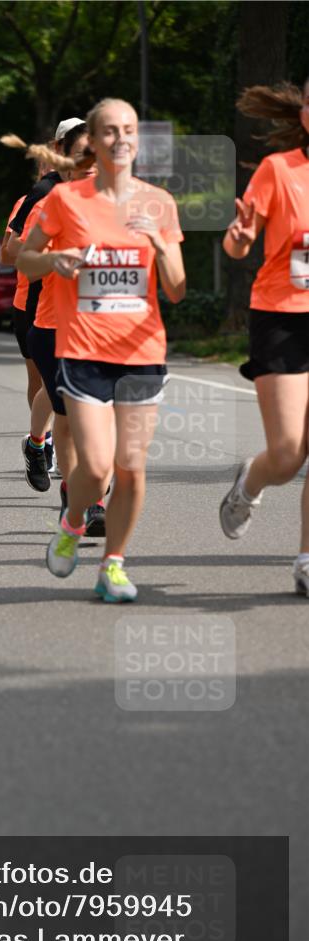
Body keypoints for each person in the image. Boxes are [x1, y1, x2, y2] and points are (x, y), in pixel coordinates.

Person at [18, 98, 186, 602]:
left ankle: (113, 564)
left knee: (131, 467)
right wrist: (55, 259)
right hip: (83, 349)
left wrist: (158, 243)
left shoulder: (158, 202)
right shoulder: (66, 200)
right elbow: (25, 262)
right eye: (109, 131)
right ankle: (72, 525)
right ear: (93, 138)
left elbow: (176, 288)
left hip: (141, 351)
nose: (120, 139)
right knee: (95, 468)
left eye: (129, 130)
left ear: (139, 138)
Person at [220, 78, 309, 597]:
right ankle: (251, 481)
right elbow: (239, 246)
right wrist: (237, 235)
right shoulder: (279, 170)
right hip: (282, 315)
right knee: (289, 453)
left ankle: (305, 559)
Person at [1, 120, 85, 484]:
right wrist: (51, 257)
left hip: (89, 315)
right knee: (50, 387)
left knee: (75, 396)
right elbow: (11, 252)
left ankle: (82, 478)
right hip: (36, 304)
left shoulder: (111, 195)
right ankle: (41, 442)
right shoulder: (39, 196)